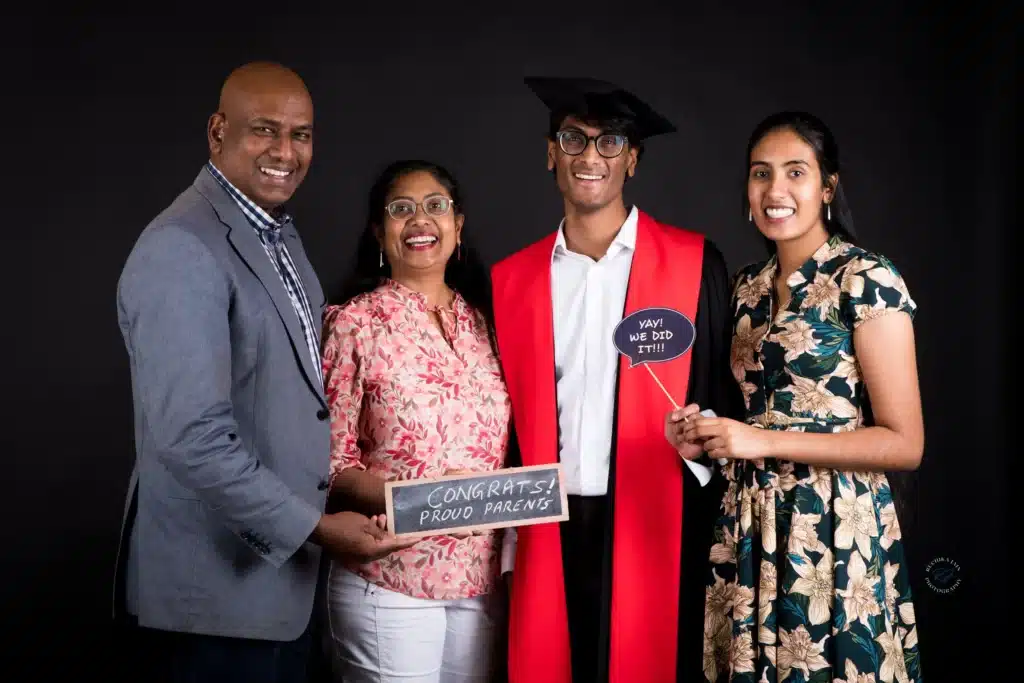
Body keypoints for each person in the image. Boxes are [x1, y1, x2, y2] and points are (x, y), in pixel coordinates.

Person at [113, 62, 411, 683]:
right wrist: (318, 528)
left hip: (275, 596)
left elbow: (295, 408)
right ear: (217, 131)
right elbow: (191, 438)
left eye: (301, 134)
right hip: (212, 605)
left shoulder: (276, 237)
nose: (285, 151)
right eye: (265, 130)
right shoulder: (182, 247)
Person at [490, 77, 744, 683]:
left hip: (658, 523)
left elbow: (722, 393)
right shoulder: (511, 281)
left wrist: (699, 445)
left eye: (610, 143)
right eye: (573, 139)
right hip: (545, 527)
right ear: (550, 152)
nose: (589, 157)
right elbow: (500, 423)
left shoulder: (695, 264)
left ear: (633, 159)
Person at [668, 111, 925, 682]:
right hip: (749, 526)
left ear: (827, 188)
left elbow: (905, 443)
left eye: (795, 172)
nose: (775, 190)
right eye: (761, 174)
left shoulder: (866, 279)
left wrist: (760, 438)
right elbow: (750, 420)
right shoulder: (745, 286)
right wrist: (703, 438)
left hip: (833, 527)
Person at [321, 159, 513, 683]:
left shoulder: (488, 325)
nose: (420, 220)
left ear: (458, 225)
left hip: (480, 581)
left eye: (435, 206)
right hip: (389, 578)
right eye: (400, 209)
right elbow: (330, 467)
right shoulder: (354, 324)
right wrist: (427, 500)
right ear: (379, 232)